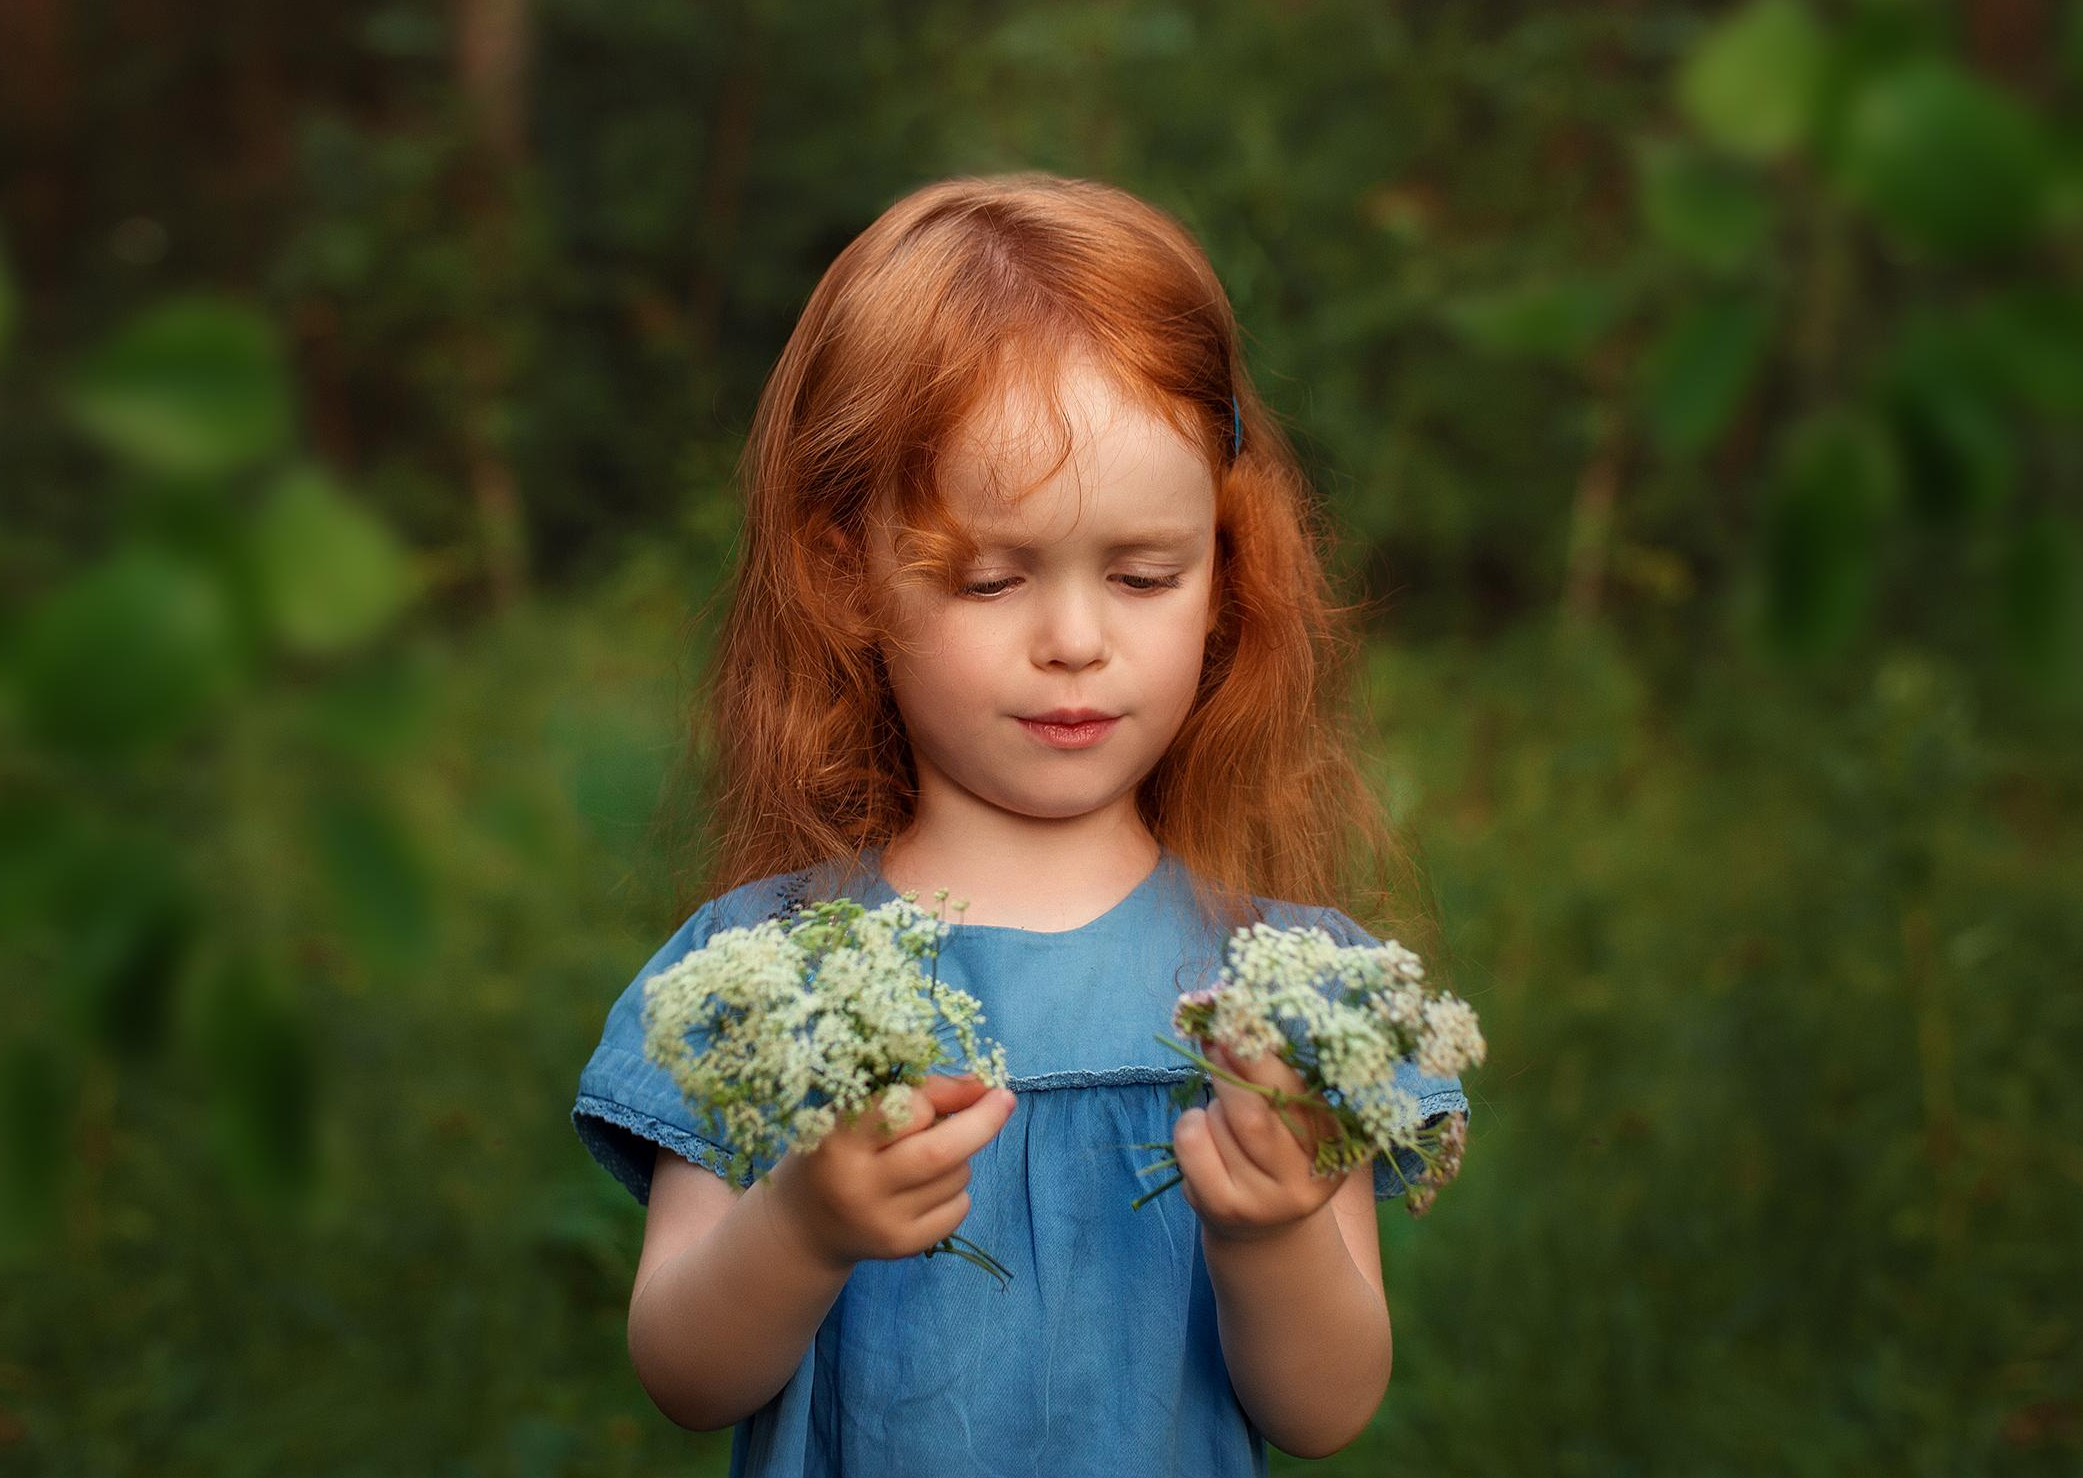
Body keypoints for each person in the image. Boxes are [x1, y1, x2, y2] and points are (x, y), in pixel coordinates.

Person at [569, 170, 1471, 1476]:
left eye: (1142, 573)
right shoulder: (769, 969)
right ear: (845, 570)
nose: (1073, 641)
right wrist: (804, 1225)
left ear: (1222, 569)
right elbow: (686, 1374)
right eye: (990, 577)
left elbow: (1324, 1410)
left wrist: (1272, 1231)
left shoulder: (1286, 990)